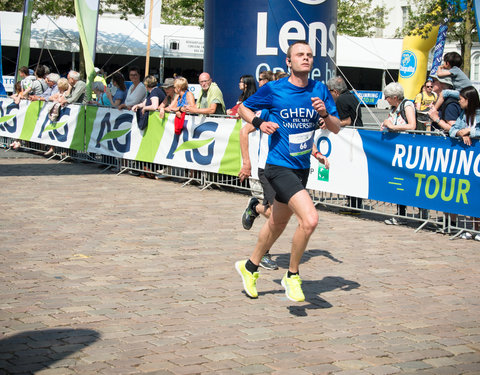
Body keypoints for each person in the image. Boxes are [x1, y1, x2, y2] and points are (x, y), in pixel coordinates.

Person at [235, 40, 341, 302]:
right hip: (278, 166)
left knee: (277, 222)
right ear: (289, 61)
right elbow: (242, 108)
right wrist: (260, 123)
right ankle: (292, 275)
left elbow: (336, 127)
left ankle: (249, 267)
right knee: (310, 220)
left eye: (309, 55)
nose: (305, 58)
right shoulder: (274, 89)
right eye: (299, 55)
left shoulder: (320, 89)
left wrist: (325, 114)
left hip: (301, 167)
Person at [239, 71, 276, 270]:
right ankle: (263, 254)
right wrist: (247, 163)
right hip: (267, 167)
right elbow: (244, 130)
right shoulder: (267, 109)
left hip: (287, 169)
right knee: (274, 214)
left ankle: (255, 207)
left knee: (280, 213)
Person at [326, 75, 364, 213]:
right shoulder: (351, 96)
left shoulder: (341, 99)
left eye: (329, 90)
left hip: (350, 141)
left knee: (350, 173)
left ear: (335, 91)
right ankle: (354, 205)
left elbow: (346, 121)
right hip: (357, 138)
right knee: (354, 173)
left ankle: (353, 206)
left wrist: (328, 123)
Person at [381, 82, 416, 226]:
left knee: (407, 182)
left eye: (388, 97)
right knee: (398, 182)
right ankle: (400, 213)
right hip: (397, 149)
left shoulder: (407, 105)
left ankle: (415, 213)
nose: (386, 99)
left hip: (407, 149)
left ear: (395, 97)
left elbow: (412, 125)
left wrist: (393, 127)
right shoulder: (395, 107)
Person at [448, 86, 480, 241]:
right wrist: (460, 133)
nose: (459, 101)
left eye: (461, 99)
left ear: (469, 100)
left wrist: (470, 132)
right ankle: (473, 228)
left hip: (477, 158)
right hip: (468, 161)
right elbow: (453, 129)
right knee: (469, 194)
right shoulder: (463, 114)